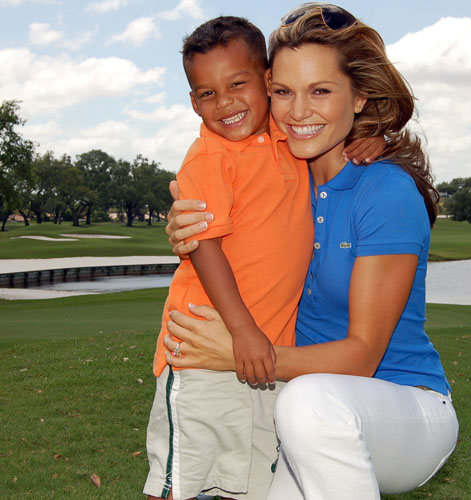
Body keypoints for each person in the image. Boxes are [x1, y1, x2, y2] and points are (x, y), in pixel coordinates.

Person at [162, 3, 459, 500]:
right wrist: (188, 229)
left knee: (307, 403)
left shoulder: (384, 190)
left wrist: (240, 352)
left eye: (321, 91)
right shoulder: (281, 171)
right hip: (301, 407)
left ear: (359, 96)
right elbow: (229, 231)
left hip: (402, 406)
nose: (298, 112)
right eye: (283, 92)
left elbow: (362, 359)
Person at [145, 14, 385, 500]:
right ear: (193, 102)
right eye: (207, 93)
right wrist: (242, 331)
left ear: (267, 82)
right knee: (184, 481)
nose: (226, 102)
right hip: (206, 347)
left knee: (247, 483)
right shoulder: (210, 157)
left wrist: (368, 136)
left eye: (238, 83)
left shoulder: (287, 142)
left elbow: (331, 134)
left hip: (264, 359)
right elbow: (204, 244)